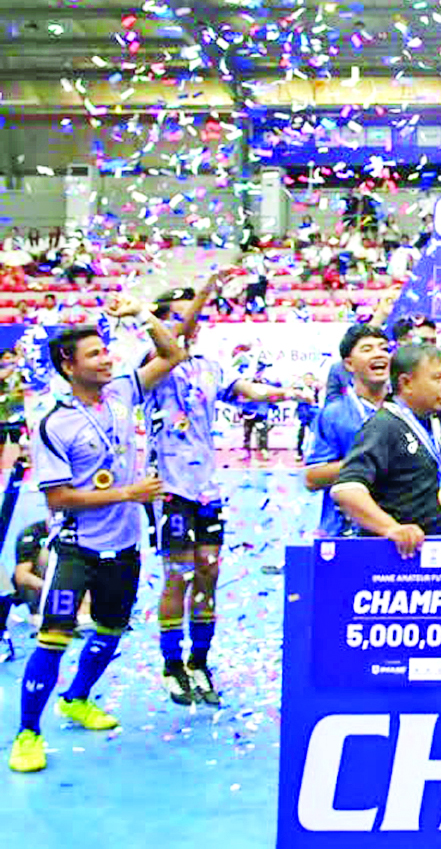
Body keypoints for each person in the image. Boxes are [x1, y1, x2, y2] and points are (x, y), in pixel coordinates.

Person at [11, 299, 186, 774]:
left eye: (106, 350)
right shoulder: (54, 422)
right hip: (77, 549)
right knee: (53, 637)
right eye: (94, 354)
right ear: (68, 366)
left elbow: (172, 355)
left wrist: (143, 315)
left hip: (125, 546)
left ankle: (77, 698)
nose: (107, 359)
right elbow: (58, 498)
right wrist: (128, 493)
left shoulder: (123, 391)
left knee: (110, 631)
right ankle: (27, 733)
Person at [147, 281, 313, 707]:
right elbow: (176, 334)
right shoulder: (155, 362)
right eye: (180, 315)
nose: (192, 322)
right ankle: (172, 665)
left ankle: (199, 661)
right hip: (170, 488)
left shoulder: (209, 366)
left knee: (209, 571)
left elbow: (247, 391)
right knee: (178, 574)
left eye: (195, 314)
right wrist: (207, 290)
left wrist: (286, 392)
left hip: (207, 489)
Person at [331, 278, 441, 557]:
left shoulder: (434, 414)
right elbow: (346, 490)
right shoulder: (384, 425)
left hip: (435, 552)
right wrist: (392, 528)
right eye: (437, 378)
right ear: (407, 383)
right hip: (399, 563)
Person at [303, 324, 392, 539]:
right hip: (347, 531)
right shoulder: (333, 415)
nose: (379, 354)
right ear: (349, 364)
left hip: (402, 526)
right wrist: (369, 462)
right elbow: (312, 478)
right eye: (367, 349)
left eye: (384, 348)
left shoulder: (407, 409)